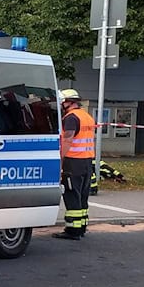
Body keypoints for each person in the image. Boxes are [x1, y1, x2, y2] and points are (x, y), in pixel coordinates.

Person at [56, 89, 94, 240]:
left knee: (72, 195)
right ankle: (82, 227)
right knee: (82, 196)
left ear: (69, 102)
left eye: (63, 102)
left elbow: (67, 140)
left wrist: (60, 161)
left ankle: (73, 230)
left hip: (73, 162)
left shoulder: (71, 118)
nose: (61, 105)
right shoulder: (86, 116)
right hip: (86, 161)